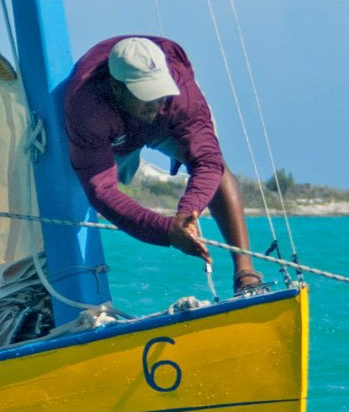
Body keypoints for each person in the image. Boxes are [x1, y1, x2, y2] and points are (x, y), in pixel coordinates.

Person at [64, 35, 263, 294]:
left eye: (160, 92)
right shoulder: (87, 109)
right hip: (114, 136)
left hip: (168, 124)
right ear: (117, 88)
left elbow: (208, 161)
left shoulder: (179, 95)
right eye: (146, 95)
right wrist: (166, 231)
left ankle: (246, 275)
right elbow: (102, 192)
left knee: (213, 164)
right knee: (79, 184)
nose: (156, 103)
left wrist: (188, 213)